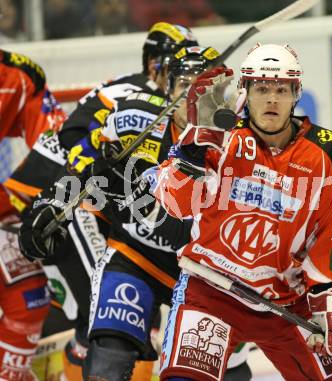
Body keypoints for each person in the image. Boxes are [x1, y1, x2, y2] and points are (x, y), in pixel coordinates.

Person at [19, 46, 252, 381]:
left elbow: (192, 230)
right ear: (167, 90)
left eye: (204, 90)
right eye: (183, 85)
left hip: (203, 275)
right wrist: (52, 205)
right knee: (110, 357)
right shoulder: (134, 118)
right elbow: (84, 160)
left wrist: (132, 197)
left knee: (222, 372)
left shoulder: (238, 147)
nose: (191, 98)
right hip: (136, 257)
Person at [147, 43, 332, 381]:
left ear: (297, 93)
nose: (272, 99)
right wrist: (193, 146)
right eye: (261, 88)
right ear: (244, 92)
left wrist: (328, 296)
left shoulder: (329, 153)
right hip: (211, 291)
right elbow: (175, 204)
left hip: (288, 300)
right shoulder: (220, 137)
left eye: (281, 89)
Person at [0, 49, 66, 381]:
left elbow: (55, 142)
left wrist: (28, 201)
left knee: (29, 296)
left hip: (2, 213)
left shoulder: (18, 77)